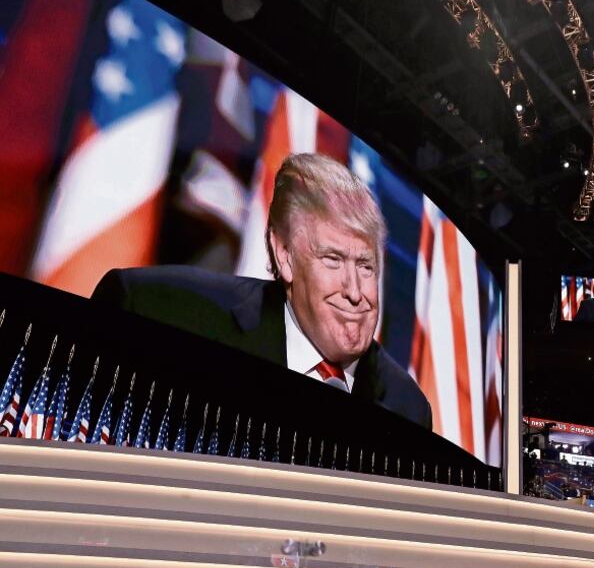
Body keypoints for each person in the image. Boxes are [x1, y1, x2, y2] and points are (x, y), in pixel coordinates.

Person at [92, 153, 432, 429]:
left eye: (366, 266)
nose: (355, 292)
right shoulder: (157, 311)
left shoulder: (406, 406)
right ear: (285, 256)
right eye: (332, 260)